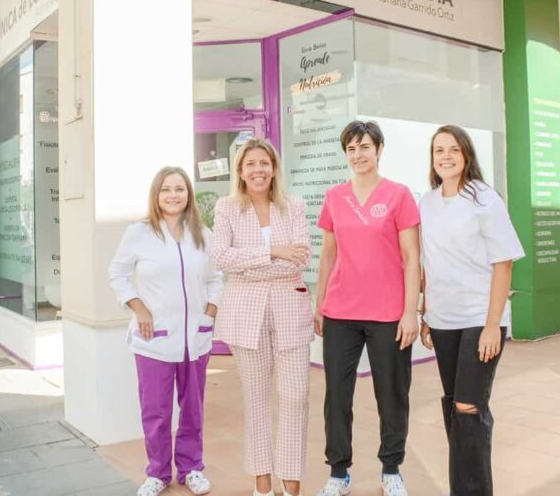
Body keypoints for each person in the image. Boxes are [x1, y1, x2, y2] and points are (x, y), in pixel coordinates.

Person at [314, 120, 420, 496]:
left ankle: (391, 469)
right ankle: (338, 473)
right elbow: (328, 255)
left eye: (364, 147)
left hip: (388, 313)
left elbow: (412, 257)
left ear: (379, 149)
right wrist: (319, 304)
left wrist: (410, 311)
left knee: (392, 394)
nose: (358, 155)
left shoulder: (399, 195)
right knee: (337, 396)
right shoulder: (334, 197)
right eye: (351, 149)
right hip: (340, 311)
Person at [418, 125, 524, 496]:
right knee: (455, 405)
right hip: (442, 320)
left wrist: (493, 325)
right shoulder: (427, 202)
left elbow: (503, 263)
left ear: (466, 155)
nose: (445, 157)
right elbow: (430, 262)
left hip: (481, 318)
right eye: (439, 150)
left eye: (453, 149)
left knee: (468, 406)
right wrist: (426, 313)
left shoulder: (484, 199)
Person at [108, 166, 222, 496]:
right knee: (156, 412)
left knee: (193, 409)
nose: (173, 195)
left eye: (180, 189)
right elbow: (117, 275)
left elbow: (215, 278)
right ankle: (157, 473)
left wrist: (210, 312)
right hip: (154, 340)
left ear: (188, 194)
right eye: (166, 189)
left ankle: (191, 468)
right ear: (156, 195)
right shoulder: (139, 233)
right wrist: (138, 307)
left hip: (195, 339)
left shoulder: (202, 234)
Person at [211, 138, 312, 496]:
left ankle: (291, 479)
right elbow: (221, 257)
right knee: (256, 400)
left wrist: (251, 263)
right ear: (240, 171)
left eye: (264, 163)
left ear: (274, 168)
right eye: (251, 164)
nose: (258, 170)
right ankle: (262, 480)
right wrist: (275, 251)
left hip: (291, 314)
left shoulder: (294, 205)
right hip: (245, 317)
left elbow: (300, 259)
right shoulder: (227, 208)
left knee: (296, 396)